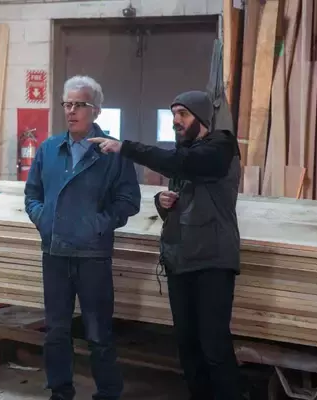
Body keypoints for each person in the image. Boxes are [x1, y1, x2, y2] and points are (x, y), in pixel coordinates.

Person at [89, 91, 244, 400]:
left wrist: (125, 147)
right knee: (187, 346)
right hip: (180, 260)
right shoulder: (184, 155)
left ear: (202, 118)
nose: (176, 121)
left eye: (182, 114)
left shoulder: (220, 148)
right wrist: (162, 202)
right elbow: (183, 205)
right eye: (173, 114)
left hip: (212, 262)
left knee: (214, 346)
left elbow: (184, 164)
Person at [24, 75, 141, 400]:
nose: (71, 111)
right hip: (55, 253)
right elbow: (32, 194)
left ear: (96, 110)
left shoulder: (112, 152)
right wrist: (44, 219)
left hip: (93, 255)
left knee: (98, 333)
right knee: (56, 331)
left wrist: (98, 224)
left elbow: (129, 200)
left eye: (80, 104)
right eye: (67, 104)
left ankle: (108, 393)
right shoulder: (49, 149)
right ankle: (60, 391)